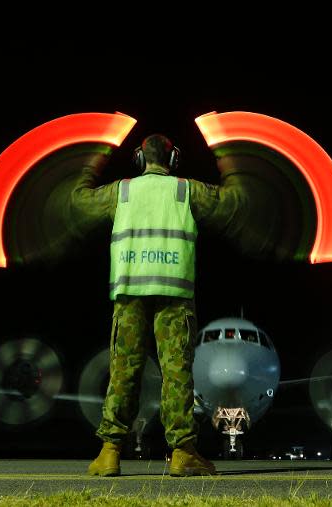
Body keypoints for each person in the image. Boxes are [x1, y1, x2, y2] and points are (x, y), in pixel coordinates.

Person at [72, 134, 225, 477]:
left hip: (129, 293)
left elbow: (79, 203)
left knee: (123, 370)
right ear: (173, 160)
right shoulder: (188, 190)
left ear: (139, 159)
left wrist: (91, 163)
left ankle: (109, 452)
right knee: (176, 374)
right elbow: (231, 204)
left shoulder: (120, 192)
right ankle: (183, 452)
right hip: (174, 293)